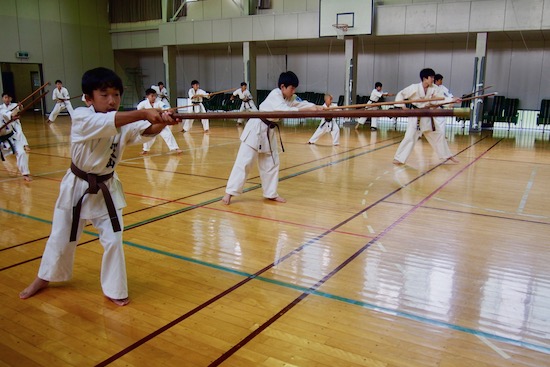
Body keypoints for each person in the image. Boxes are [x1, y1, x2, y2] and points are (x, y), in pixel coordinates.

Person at [19, 67, 179, 306]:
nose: (112, 100)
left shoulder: (123, 120)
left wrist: (164, 122)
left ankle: (115, 289)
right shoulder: (82, 117)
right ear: (88, 98)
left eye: (116, 94)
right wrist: (145, 112)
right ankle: (43, 278)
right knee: (61, 237)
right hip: (76, 187)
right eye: (104, 95)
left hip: (107, 188)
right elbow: (113, 121)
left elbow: (145, 131)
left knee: (114, 240)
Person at [222, 71, 323, 205]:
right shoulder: (275, 94)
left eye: (294, 88)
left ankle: (270, 193)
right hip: (256, 128)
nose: (293, 91)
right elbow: (283, 110)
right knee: (244, 162)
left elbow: (302, 104)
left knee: (271, 162)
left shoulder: (291, 98)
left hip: (269, 131)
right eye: (291, 88)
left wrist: (317, 108)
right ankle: (229, 193)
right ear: (283, 87)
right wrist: (306, 110)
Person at [392, 68, 460, 165]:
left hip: (427, 115)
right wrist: (403, 106)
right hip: (415, 115)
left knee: (438, 135)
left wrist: (452, 99)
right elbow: (401, 94)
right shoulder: (414, 87)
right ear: (425, 78)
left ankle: (446, 156)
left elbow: (440, 99)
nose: (433, 79)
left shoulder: (435, 88)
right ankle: (399, 158)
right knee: (410, 136)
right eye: (431, 77)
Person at [138, 88, 182, 155]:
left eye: (155, 96)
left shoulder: (159, 103)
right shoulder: (143, 104)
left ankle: (176, 148)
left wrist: (168, 110)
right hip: (149, 123)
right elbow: (139, 111)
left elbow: (166, 108)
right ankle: (145, 150)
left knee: (168, 134)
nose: (154, 97)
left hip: (160, 122)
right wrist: (155, 109)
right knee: (147, 136)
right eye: (152, 96)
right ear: (147, 96)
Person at [0, 103, 32, 181]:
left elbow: (11, 114)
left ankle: (25, 173)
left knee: (21, 153)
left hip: (11, 137)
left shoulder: (2, 111)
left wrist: (16, 111)